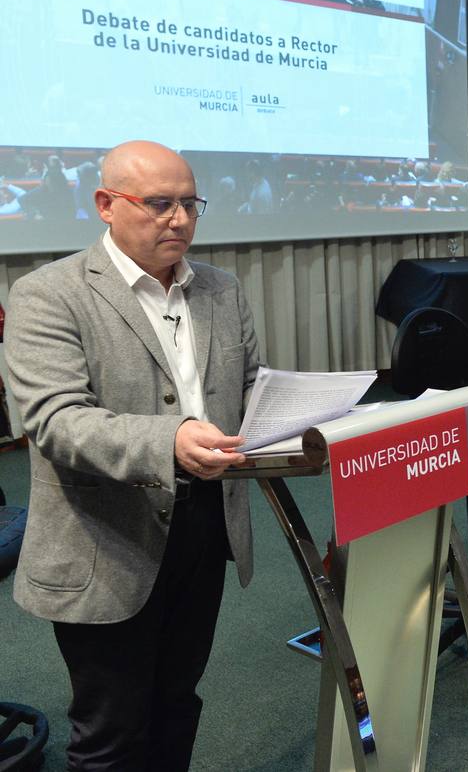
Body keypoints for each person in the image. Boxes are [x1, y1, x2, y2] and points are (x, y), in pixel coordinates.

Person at [6, 140, 259, 771]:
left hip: (204, 526)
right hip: (106, 539)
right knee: (111, 733)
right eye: (158, 204)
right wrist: (167, 441)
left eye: (190, 205)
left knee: (177, 701)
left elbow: (251, 387)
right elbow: (55, 420)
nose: (179, 220)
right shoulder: (49, 294)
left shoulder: (221, 290)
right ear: (105, 205)